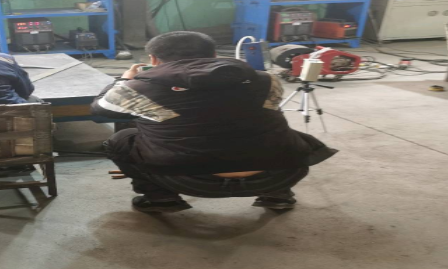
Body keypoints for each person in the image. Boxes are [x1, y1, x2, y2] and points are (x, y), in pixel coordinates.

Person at [91, 31, 337, 212]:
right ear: (215, 55)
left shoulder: (138, 88)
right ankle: (278, 195)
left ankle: (160, 197)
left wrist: (124, 81)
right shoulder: (265, 79)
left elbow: (100, 110)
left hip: (189, 180)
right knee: (271, 130)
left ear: (153, 60)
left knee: (120, 139)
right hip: (279, 173)